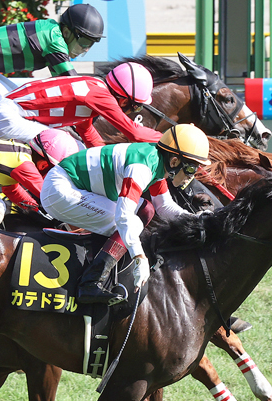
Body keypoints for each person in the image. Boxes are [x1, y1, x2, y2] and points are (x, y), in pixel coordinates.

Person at [40, 123, 211, 304]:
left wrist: (195, 218)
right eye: (191, 169)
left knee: (146, 209)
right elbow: (124, 217)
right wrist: (139, 257)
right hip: (60, 190)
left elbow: (164, 206)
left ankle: (100, 261)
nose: (191, 176)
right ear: (174, 162)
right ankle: (90, 283)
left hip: (72, 186)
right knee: (132, 224)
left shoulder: (157, 161)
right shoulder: (142, 167)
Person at [0, 3, 105, 109]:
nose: (85, 49)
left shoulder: (53, 33)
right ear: (67, 32)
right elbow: (75, 85)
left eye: (91, 44)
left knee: (24, 106)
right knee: (17, 111)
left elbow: (63, 87)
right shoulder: (54, 40)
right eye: (84, 41)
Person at [0, 60, 161, 150]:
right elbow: (134, 133)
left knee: (78, 149)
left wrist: (103, 159)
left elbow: (86, 131)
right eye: (136, 107)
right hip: (6, 118)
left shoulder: (94, 86)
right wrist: (170, 137)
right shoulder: (100, 95)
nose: (134, 111)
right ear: (124, 100)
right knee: (67, 148)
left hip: (5, 113)